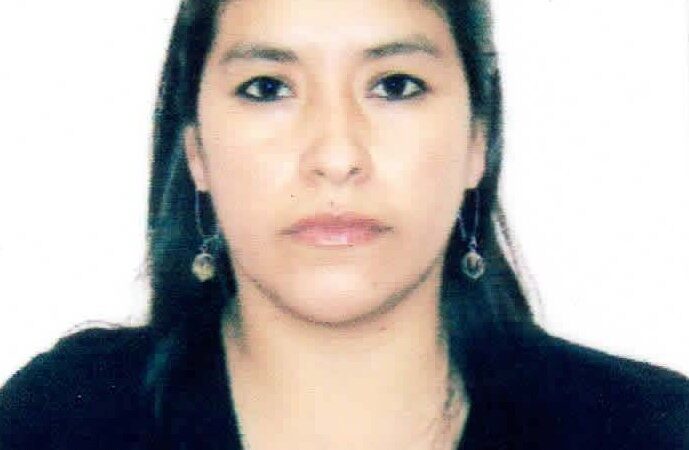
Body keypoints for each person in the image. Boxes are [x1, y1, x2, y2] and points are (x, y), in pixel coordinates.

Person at [1, 0, 688, 449]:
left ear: (477, 141)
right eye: (268, 88)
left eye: (395, 86)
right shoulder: (62, 422)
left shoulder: (647, 430)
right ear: (198, 152)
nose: (335, 156)